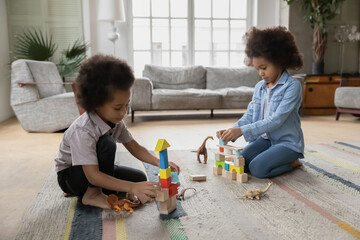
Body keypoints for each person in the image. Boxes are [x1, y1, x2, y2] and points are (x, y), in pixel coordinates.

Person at [55, 54, 180, 209]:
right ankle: (91, 195)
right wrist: (132, 189)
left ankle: (99, 189)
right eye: (117, 107)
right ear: (96, 104)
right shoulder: (83, 130)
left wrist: (160, 163)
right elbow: (92, 175)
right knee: (107, 144)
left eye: (126, 105)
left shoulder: (116, 121)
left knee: (139, 178)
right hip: (72, 176)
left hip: (95, 169)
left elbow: (134, 147)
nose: (123, 113)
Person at [216, 26, 304, 178]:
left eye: (264, 68)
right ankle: (272, 157)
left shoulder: (292, 86)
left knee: (258, 169)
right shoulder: (260, 87)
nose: (261, 73)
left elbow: (276, 120)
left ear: (280, 60)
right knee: (241, 164)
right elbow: (250, 114)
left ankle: (292, 162)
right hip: (266, 139)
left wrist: (242, 131)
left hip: (287, 143)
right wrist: (232, 130)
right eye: (257, 69)